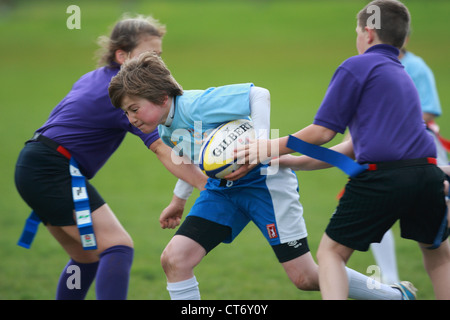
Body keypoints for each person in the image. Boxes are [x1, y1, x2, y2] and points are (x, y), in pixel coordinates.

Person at [108, 51, 416, 300]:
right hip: (222, 190)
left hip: (265, 183)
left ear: (162, 98)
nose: (131, 118)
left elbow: (259, 94)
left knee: (305, 277)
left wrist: (261, 147)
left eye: (134, 108)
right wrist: (179, 200)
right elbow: (195, 158)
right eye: (126, 113)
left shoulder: (196, 104)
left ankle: (393, 296)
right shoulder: (165, 128)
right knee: (174, 260)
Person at [232, 0, 450, 299]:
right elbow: (351, 147)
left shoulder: (357, 65)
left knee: (331, 253)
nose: (357, 38)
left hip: (382, 179)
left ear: (369, 33)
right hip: (426, 176)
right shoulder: (401, 74)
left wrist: (267, 147)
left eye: (357, 31)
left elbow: (322, 132)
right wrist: (291, 161)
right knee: (438, 255)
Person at [14, 14, 206, 300]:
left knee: (86, 258)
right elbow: (164, 150)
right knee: (117, 246)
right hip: (52, 170)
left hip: (37, 166)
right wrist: (208, 187)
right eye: (150, 53)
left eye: (160, 55)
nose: (160, 62)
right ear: (122, 55)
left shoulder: (95, 78)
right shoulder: (123, 93)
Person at [370, 31, 449, 285]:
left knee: (436, 225)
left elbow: (429, 110)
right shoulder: (370, 67)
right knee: (372, 209)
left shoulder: (416, 67)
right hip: (385, 151)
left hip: (422, 150)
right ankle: (391, 281)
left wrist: (387, 126)